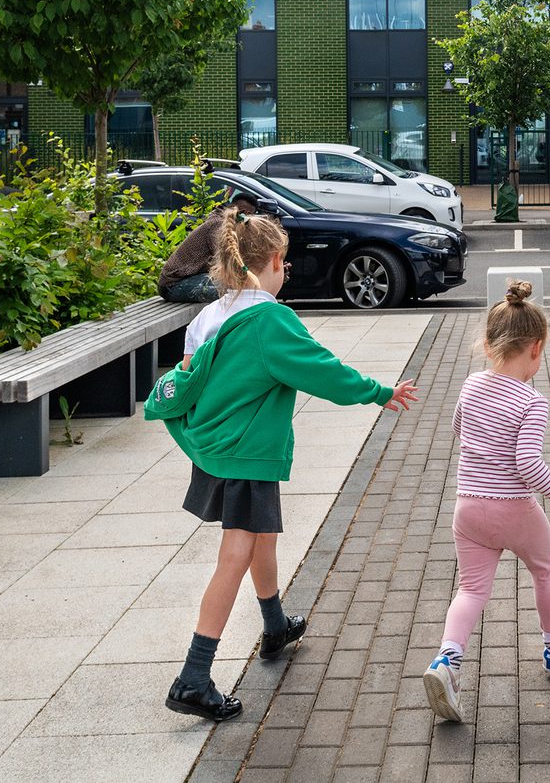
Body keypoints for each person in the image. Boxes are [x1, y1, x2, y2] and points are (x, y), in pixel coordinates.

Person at [144, 206, 419, 721]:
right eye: (285, 264)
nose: (286, 273)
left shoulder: (210, 315)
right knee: (235, 555)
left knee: (261, 537)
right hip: (246, 454)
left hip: (219, 450)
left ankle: (274, 626)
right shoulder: (269, 318)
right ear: (272, 261)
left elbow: (188, 376)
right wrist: (378, 392)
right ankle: (193, 677)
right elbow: (322, 371)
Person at [422, 282, 550, 724]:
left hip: (467, 507)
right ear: (536, 349)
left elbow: (459, 428)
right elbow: (528, 464)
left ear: (491, 343)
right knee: (545, 569)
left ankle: (447, 661)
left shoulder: (472, 383)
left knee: (471, 589)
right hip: (514, 508)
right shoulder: (533, 402)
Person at [159, 194, 264, 305]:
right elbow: (227, 262)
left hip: (191, 278)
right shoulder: (217, 225)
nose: (244, 217)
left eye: (249, 215)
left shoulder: (227, 224)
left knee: (239, 289)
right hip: (172, 285)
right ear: (232, 207)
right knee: (233, 293)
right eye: (242, 212)